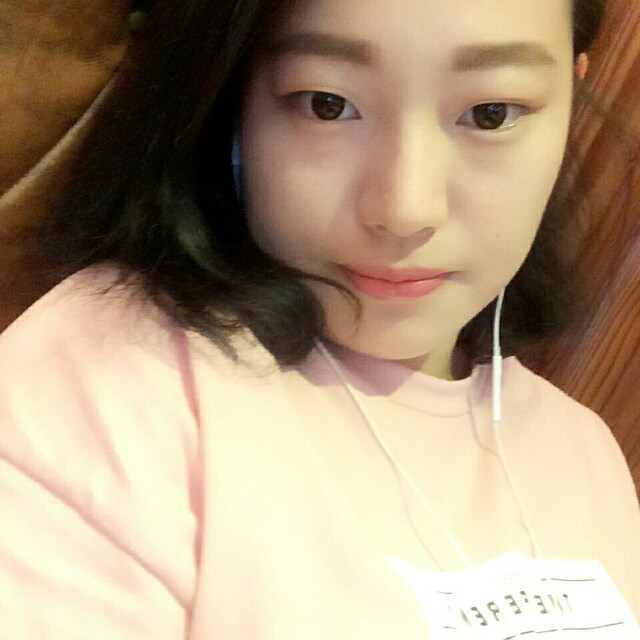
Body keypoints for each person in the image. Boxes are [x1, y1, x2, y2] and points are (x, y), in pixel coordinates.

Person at [0, 0, 638, 637]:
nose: (404, 208)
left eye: (490, 113)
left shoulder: (583, 453)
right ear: (235, 99)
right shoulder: (106, 392)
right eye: (327, 105)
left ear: (570, 102)